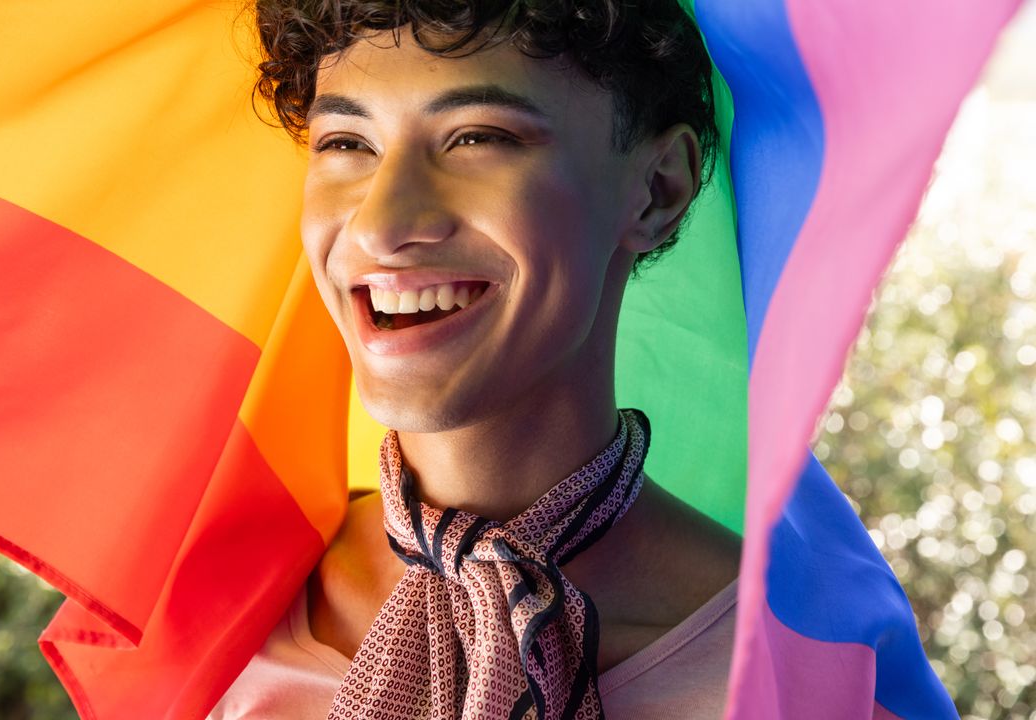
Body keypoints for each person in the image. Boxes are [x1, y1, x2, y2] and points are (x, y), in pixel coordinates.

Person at [210, 1, 741, 717]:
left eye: (476, 138)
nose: (382, 225)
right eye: (345, 144)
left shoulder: (807, 664)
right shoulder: (215, 617)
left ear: (658, 190)